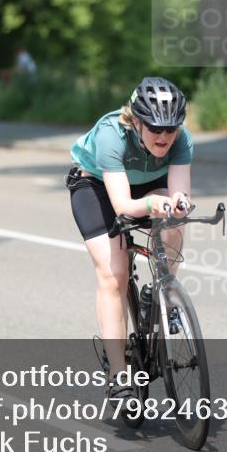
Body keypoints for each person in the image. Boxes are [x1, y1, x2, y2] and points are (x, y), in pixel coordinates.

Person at [65, 77, 192, 403]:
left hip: (148, 185)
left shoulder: (180, 139)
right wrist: (153, 204)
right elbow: (122, 206)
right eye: (155, 128)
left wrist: (178, 203)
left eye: (171, 129)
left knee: (176, 217)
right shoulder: (112, 135)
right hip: (97, 188)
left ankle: (163, 288)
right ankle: (118, 374)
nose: (164, 136)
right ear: (136, 121)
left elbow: (179, 194)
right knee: (114, 274)